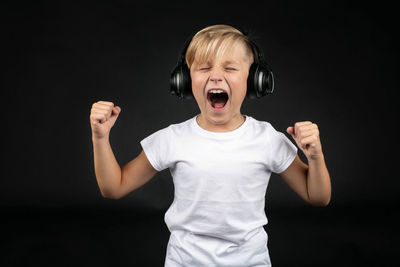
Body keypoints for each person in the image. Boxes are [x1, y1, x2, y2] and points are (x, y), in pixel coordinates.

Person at [89, 24, 331, 267]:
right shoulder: (172, 138)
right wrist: (100, 138)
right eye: (204, 68)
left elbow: (318, 197)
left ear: (255, 80)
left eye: (230, 68)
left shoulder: (267, 138)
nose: (215, 75)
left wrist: (316, 157)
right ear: (184, 80)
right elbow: (114, 188)